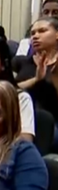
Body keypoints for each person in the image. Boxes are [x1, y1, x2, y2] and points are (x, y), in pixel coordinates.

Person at [15, 17, 58, 148]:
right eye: (33, 33)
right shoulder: (20, 62)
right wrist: (36, 79)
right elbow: (8, 89)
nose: (36, 36)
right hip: (18, 118)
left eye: (42, 31)